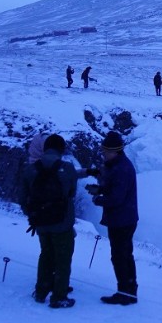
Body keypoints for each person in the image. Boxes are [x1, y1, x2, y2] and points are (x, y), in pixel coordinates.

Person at [21, 134, 82, 308]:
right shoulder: (68, 169)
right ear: (61, 150)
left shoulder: (31, 170)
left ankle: (41, 291)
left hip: (40, 223)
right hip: (62, 223)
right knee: (63, 259)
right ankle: (59, 296)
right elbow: (71, 193)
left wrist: (34, 216)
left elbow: (23, 197)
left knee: (45, 254)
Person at [87, 130, 139, 305]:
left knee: (120, 256)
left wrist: (98, 199)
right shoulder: (118, 165)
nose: (103, 154)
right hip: (125, 218)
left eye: (105, 151)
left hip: (122, 220)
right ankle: (129, 291)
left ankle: (125, 293)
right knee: (125, 255)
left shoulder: (121, 169)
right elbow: (115, 189)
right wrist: (100, 189)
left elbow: (117, 198)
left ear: (114, 151)